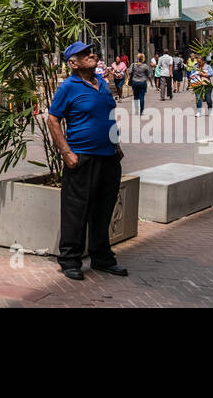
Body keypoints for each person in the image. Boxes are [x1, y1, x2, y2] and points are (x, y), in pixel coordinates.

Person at [48, 40, 126, 281]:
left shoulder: (101, 83)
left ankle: (102, 258)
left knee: (104, 209)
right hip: (81, 157)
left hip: (109, 156)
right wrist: (66, 152)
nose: (92, 55)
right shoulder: (68, 87)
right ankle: (70, 260)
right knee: (76, 209)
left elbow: (108, 116)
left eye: (91, 51)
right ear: (73, 63)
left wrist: (117, 145)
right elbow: (52, 120)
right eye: (85, 54)